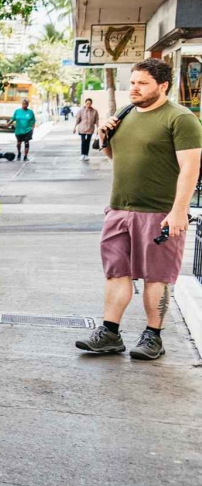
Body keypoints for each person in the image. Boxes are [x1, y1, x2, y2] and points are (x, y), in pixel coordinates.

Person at [78, 59, 202, 360]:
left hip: (159, 212)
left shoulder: (180, 119)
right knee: (116, 272)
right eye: (132, 82)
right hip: (119, 208)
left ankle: (153, 336)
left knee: (156, 276)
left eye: (142, 83)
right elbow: (115, 156)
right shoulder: (125, 115)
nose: (134, 88)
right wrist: (104, 138)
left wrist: (178, 211)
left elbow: (190, 167)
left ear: (162, 86)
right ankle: (109, 332)